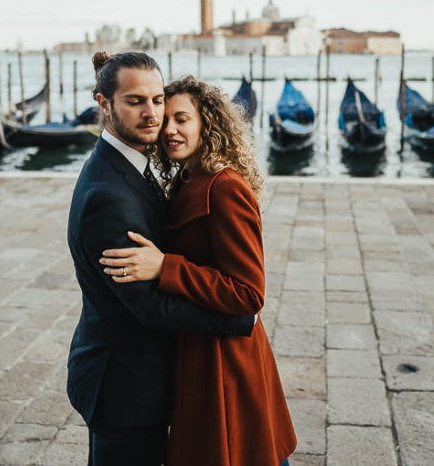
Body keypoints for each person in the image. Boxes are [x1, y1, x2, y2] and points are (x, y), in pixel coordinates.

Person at [66, 53, 256, 466]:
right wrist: (239, 320)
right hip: (124, 386)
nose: (153, 114)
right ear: (104, 104)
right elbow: (148, 305)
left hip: (133, 378)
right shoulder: (109, 197)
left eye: (157, 100)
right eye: (135, 101)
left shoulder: (127, 166)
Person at [99, 76, 297, 466]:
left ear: (207, 123)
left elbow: (249, 293)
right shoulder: (189, 179)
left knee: (243, 450)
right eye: (165, 120)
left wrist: (164, 266)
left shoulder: (225, 187)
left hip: (228, 358)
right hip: (201, 347)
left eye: (183, 120)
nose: (170, 130)